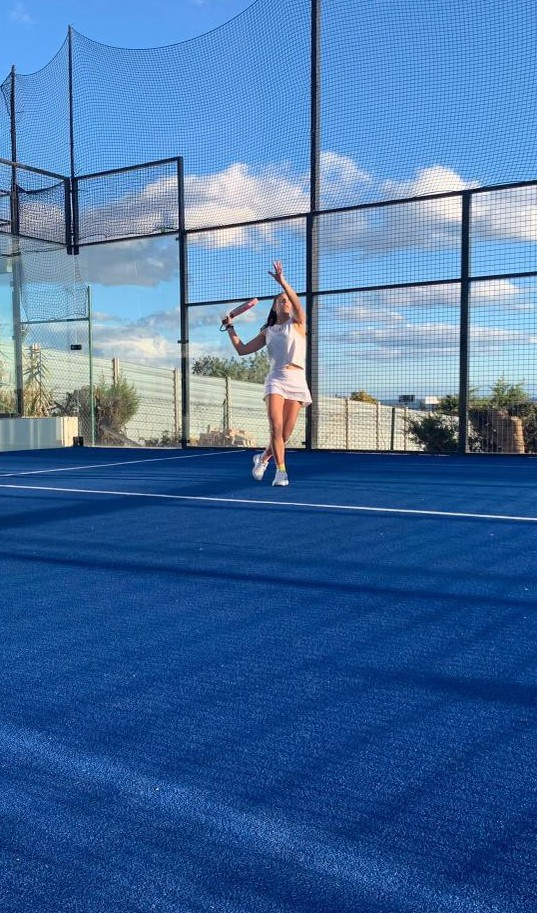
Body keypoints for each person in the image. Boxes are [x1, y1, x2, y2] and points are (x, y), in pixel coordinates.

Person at [222, 261, 312, 486]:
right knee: (276, 427)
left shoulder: (298, 324)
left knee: (286, 434)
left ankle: (263, 458)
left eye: (288, 300)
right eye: (281, 300)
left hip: (297, 380)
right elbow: (243, 350)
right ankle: (281, 472)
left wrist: (282, 282)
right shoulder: (268, 331)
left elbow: (298, 304)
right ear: (274, 308)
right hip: (276, 379)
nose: (286, 302)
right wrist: (230, 327)